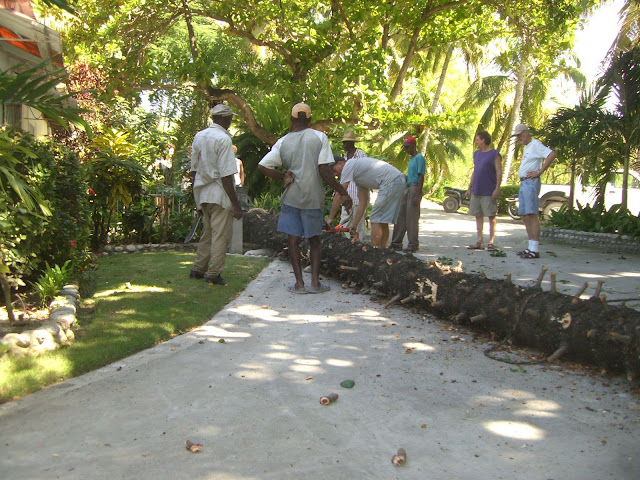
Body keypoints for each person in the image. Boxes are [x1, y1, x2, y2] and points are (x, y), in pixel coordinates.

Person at [258, 102, 353, 294]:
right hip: (312, 197)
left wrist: (283, 176)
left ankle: (299, 284)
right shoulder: (319, 137)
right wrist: (343, 192)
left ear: (291, 119)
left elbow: (263, 166)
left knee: (292, 240)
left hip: (291, 198)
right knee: (314, 240)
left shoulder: (283, 141)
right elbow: (324, 170)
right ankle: (315, 284)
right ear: (309, 119)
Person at [189, 104, 243, 284]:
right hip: (219, 193)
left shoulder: (199, 136)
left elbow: (194, 170)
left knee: (208, 234)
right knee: (220, 236)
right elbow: (227, 175)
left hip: (203, 192)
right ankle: (213, 274)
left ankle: (198, 269)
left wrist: (196, 197)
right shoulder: (223, 139)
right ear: (226, 119)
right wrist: (235, 204)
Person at [328, 156, 405, 248]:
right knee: (382, 220)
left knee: (376, 218)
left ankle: (374, 251)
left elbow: (339, 194)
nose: (335, 174)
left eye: (334, 170)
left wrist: (330, 218)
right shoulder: (358, 175)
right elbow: (363, 201)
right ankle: (383, 251)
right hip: (398, 180)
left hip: (392, 182)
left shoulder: (348, 165)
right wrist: (355, 223)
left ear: (340, 163)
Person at [512, 123, 557, 259]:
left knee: (532, 214)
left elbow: (551, 154)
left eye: (520, 135)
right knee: (525, 215)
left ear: (526, 132)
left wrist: (539, 172)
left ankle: (535, 249)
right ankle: (530, 246)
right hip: (524, 182)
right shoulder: (527, 147)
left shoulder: (535, 144)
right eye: (517, 136)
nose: (518, 138)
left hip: (531, 183)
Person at [465, 131, 502, 251]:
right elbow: (475, 171)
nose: (476, 142)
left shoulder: (494, 154)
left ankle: (491, 242)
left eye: (477, 139)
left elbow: (499, 172)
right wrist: (469, 187)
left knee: (491, 216)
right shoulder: (476, 154)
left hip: (489, 190)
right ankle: (479, 241)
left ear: (483, 140)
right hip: (477, 189)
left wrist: (497, 188)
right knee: (478, 216)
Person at [389, 136, 426, 253]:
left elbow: (421, 176)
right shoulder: (411, 159)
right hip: (407, 187)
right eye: (404, 147)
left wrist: (417, 194)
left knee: (411, 218)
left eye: (408, 147)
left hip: (414, 187)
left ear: (413, 145)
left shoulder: (419, 158)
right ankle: (396, 243)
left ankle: (413, 244)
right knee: (400, 216)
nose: (406, 149)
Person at [333, 130, 368, 239]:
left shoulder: (361, 155)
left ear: (352, 143)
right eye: (343, 143)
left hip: (359, 197)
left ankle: (359, 244)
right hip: (347, 197)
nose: (344, 145)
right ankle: (346, 245)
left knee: (359, 226)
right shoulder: (344, 158)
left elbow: (365, 173)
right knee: (344, 224)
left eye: (346, 143)